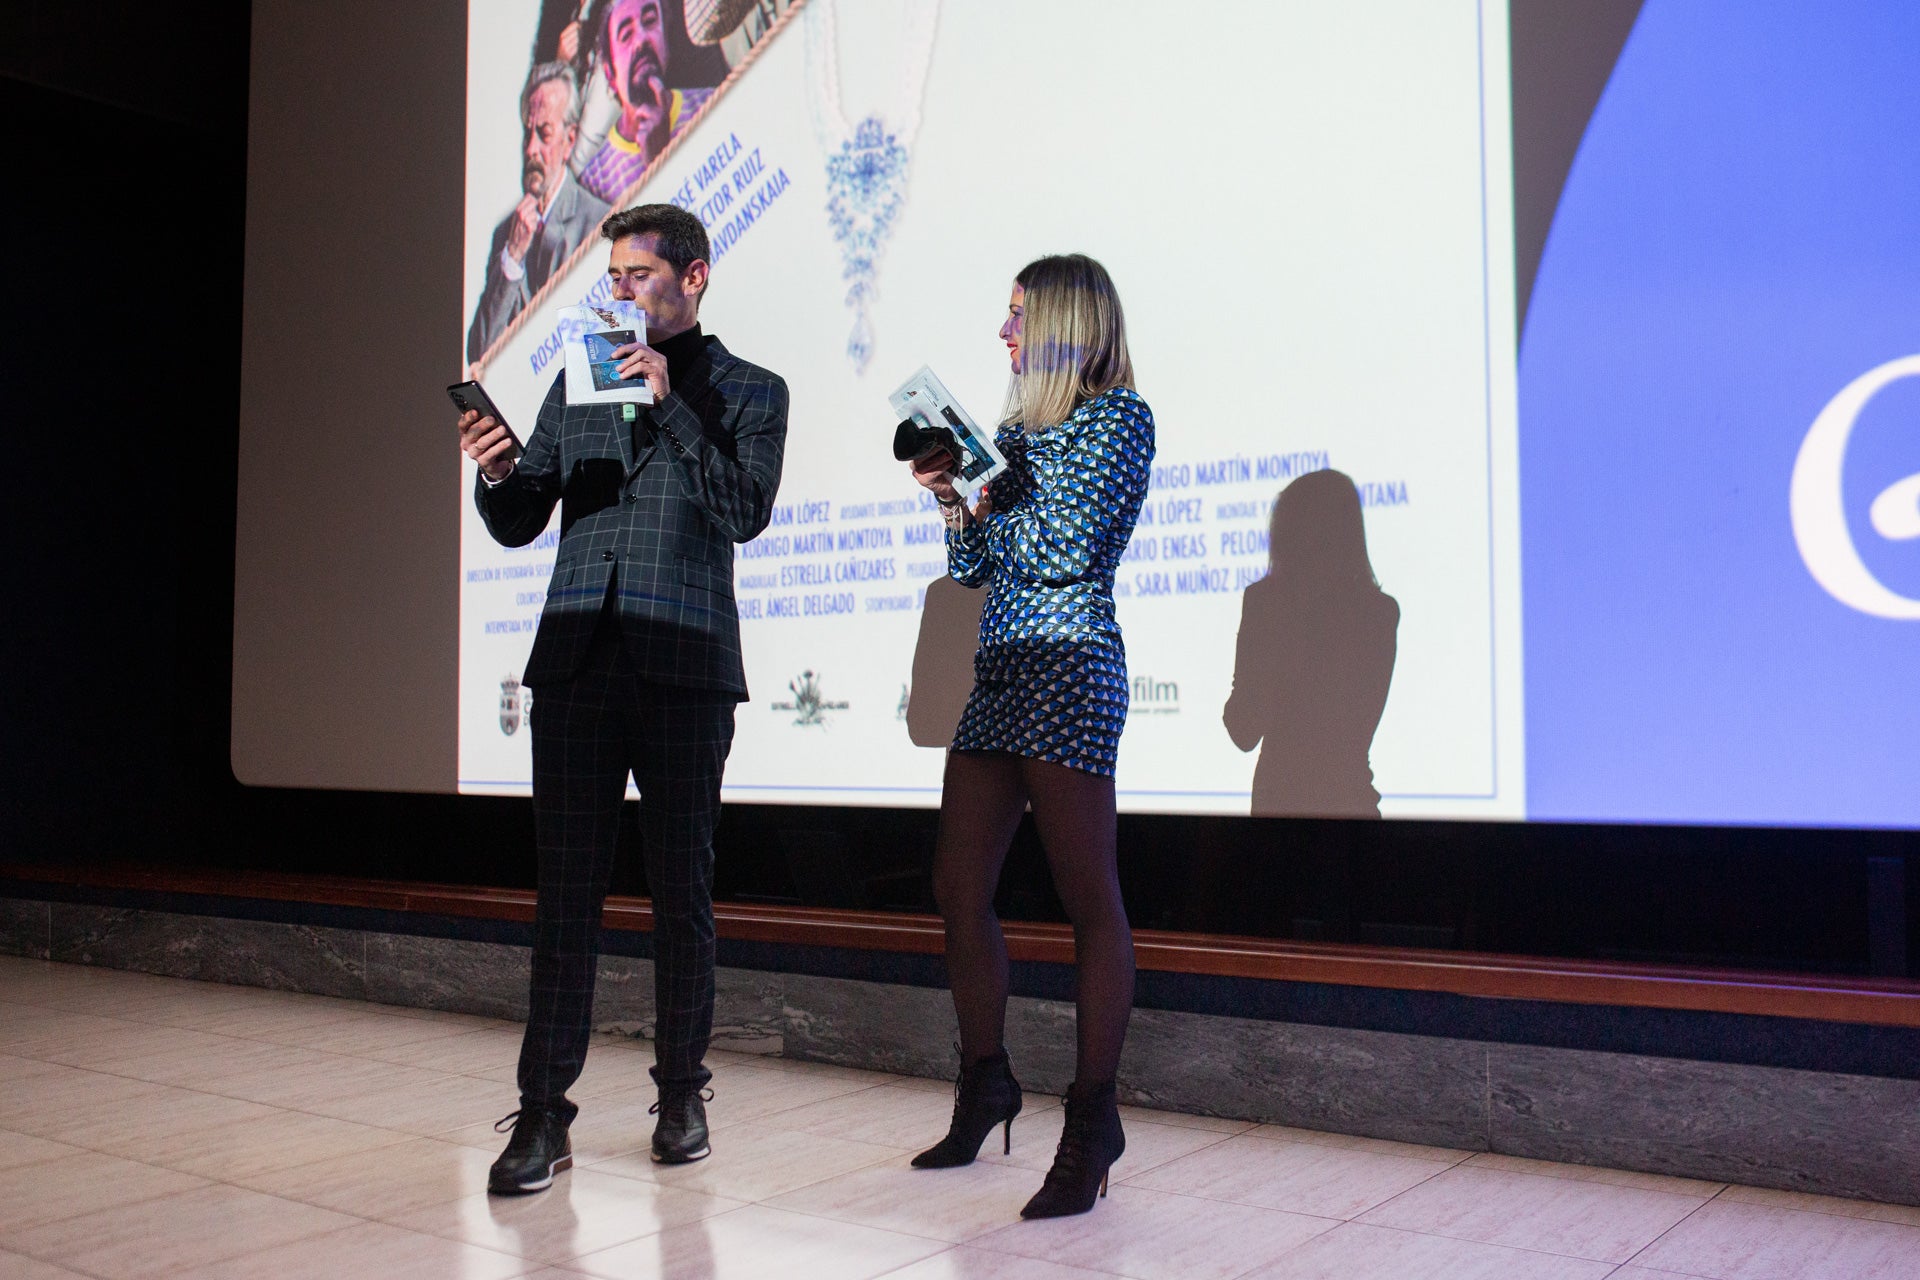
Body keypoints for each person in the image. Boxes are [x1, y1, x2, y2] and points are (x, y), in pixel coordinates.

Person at [457, 203, 788, 1193]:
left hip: (684, 662)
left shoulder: (748, 390)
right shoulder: (580, 381)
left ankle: (682, 1091)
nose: (621, 293)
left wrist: (671, 404)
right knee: (565, 900)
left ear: (693, 278)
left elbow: (745, 507)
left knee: (680, 891)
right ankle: (543, 1114)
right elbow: (524, 520)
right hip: (576, 660)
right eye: (613, 278)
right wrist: (497, 467)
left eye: (640, 275)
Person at [905, 254, 1154, 1219]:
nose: (1002, 335)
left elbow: (1058, 551)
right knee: (956, 883)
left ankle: (1093, 1121)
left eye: (1016, 318)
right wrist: (948, 491)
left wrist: (994, 488)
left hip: (1072, 665)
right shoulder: (1015, 429)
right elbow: (976, 566)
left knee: (1088, 894)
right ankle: (987, 1083)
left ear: (1060, 324)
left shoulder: (1117, 416)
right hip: (1004, 668)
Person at [1224, 470, 1399, 818]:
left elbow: (1243, 727)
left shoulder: (1266, 604)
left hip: (1287, 810)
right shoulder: (1379, 612)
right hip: (1346, 807)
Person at [467, 61, 613, 364]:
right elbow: (479, 354)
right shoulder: (505, 235)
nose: (531, 148)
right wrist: (512, 259)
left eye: (544, 133)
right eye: (527, 132)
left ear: (569, 140)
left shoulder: (598, 223)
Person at [575, 0, 720, 205]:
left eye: (650, 21)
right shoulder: (593, 186)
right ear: (610, 74)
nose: (641, 39)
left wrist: (661, 159)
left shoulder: (712, 104)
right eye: (626, 35)